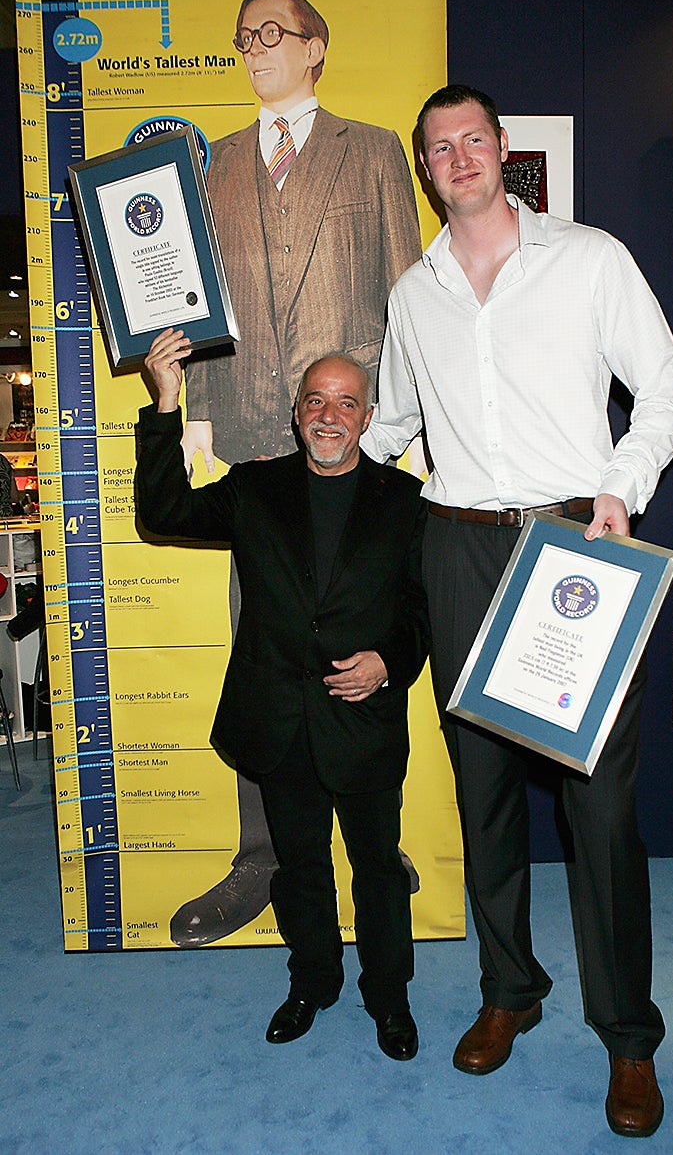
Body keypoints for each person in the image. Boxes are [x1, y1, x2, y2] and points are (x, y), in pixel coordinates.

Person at [360, 85, 673, 1136]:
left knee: (599, 808)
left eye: (471, 140)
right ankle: (510, 989)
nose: (456, 158)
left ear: (502, 152)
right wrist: (310, 469)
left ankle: (628, 1034)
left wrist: (620, 481)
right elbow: (394, 423)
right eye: (437, 148)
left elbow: (667, 388)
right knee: (485, 792)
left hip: (573, 549)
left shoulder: (590, 259)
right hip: (455, 548)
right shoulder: (413, 297)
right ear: (425, 168)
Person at [160, 0, 422, 948]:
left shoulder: (376, 150)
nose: (253, 48)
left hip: (349, 445)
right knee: (264, 660)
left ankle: (371, 836)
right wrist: (184, 401)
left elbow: (408, 298)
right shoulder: (210, 165)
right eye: (243, 36)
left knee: (360, 639)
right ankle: (263, 852)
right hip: (253, 455)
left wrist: (391, 433)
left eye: (273, 33)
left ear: (316, 49)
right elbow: (177, 295)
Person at [136, 341, 429, 1061]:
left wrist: (388, 662)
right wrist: (165, 404)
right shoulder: (254, 488)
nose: (330, 415)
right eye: (316, 401)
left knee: (379, 871)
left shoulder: (406, 502)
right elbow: (163, 509)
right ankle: (313, 982)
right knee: (298, 867)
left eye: (346, 403)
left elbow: (424, 616)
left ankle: (388, 997)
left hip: (361, 724)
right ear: (298, 414)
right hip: (278, 722)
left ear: (366, 418)